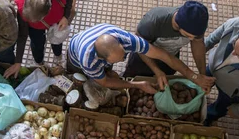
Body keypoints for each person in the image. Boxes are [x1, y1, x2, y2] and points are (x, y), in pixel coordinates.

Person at [68, 24, 216, 94]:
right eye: (117, 61)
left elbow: (163, 55)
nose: (123, 60)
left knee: (109, 74)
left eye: (123, 56)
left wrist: (193, 76)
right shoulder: (88, 61)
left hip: (102, 59)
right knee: (79, 79)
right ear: (103, 58)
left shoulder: (126, 39)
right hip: (75, 57)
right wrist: (137, 85)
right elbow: (105, 82)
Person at [124, 2, 214, 91]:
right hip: (143, 59)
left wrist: (203, 76)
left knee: (162, 85)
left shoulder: (197, 24)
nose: (191, 39)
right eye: (188, 36)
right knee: (130, 80)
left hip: (170, 61)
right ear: (178, 25)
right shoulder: (152, 23)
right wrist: (157, 71)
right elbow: (139, 47)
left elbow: (197, 44)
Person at [5, 0, 76, 78]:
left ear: (47, 12)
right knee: (37, 43)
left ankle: (58, 56)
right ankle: (39, 61)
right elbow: (22, 35)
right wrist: (18, 62)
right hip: (35, 29)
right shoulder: (22, 7)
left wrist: (65, 16)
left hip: (55, 20)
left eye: (35, 20)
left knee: (57, 38)